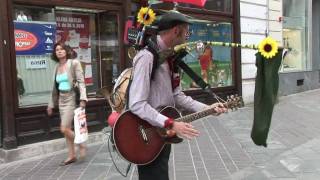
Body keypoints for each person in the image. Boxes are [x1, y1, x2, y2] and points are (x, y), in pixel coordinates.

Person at [128, 11, 227, 180]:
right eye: (186, 31)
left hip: (163, 132)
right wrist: (171, 123)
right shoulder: (147, 57)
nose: (187, 36)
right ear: (176, 31)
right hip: (146, 134)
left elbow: (177, 96)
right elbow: (137, 104)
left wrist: (208, 108)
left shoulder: (171, 58)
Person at [47, 42, 87, 166]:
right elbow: (54, 88)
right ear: (55, 53)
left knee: (63, 128)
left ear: (66, 51)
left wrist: (83, 98)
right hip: (61, 99)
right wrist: (51, 104)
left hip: (71, 97)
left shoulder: (74, 63)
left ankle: (81, 144)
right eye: (57, 50)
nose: (59, 51)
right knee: (67, 130)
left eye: (61, 49)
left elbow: (81, 81)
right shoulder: (56, 67)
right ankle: (71, 155)